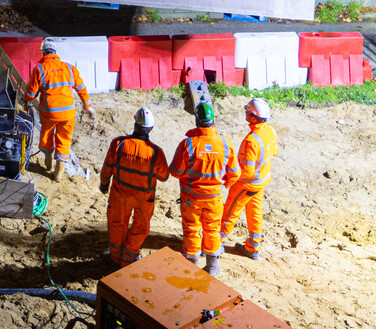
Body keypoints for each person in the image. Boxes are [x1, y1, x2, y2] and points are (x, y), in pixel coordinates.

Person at [169, 100, 236, 276]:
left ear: (197, 121)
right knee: (212, 228)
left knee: (192, 228)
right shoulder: (225, 143)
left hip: (192, 198)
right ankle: (212, 266)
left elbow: (175, 172)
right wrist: (224, 186)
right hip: (214, 198)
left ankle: (191, 265)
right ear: (213, 120)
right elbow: (235, 173)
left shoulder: (188, 144)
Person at [100, 107, 170, 267]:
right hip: (143, 199)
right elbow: (164, 177)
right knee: (140, 227)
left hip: (120, 194)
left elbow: (107, 167)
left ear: (135, 124)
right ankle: (129, 258)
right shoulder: (156, 152)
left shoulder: (118, 144)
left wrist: (104, 184)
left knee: (117, 224)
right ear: (151, 128)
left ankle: (115, 257)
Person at [221, 97, 279, 261]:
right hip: (261, 182)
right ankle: (253, 246)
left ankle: (215, 244)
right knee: (255, 212)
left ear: (254, 117)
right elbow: (274, 152)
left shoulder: (251, 141)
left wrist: (229, 178)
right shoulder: (270, 131)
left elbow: (246, 172)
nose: (246, 114)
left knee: (230, 212)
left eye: (248, 112)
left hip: (246, 185)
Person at [26, 40, 92, 181]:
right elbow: (81, 88)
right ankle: (58, 174)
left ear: (43, 53)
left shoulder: (40, 69)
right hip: (68, 113)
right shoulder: (69, 68)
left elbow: (31, 94)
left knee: (47, 136)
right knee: (64, 140)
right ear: (55, 53)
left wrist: (25, 98)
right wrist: (87, 105)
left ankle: (48, 166)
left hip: (49, 113)